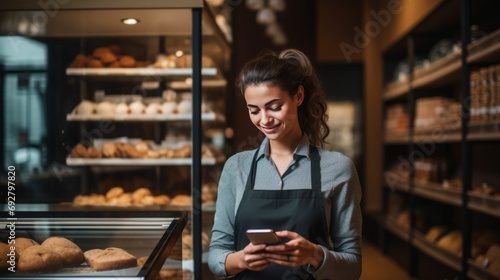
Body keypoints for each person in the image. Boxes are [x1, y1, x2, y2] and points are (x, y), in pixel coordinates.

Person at [208, 49, 362, 280]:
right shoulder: (236, 167)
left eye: (274, 107)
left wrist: (315, 255)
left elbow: (353, 266)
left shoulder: (338, 168)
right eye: (254, 110)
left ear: (298, 96)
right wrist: (241, 259)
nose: (264, 120)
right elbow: (216, 255)